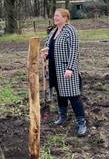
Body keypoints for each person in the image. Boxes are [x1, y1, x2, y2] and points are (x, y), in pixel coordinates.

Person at [41, 8, 87, 137]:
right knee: (60, 94)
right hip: (54, 69)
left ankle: (81, 123)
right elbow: (48, 48)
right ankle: (62, 117)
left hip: (66, 70)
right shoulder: (53, 32)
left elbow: (74, 51)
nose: (55, 18)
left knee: (73, 96)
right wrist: (45, 54)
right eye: (54, 15)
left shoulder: (70, 31)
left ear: (65, 18)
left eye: (58, 16)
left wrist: (71, 68)